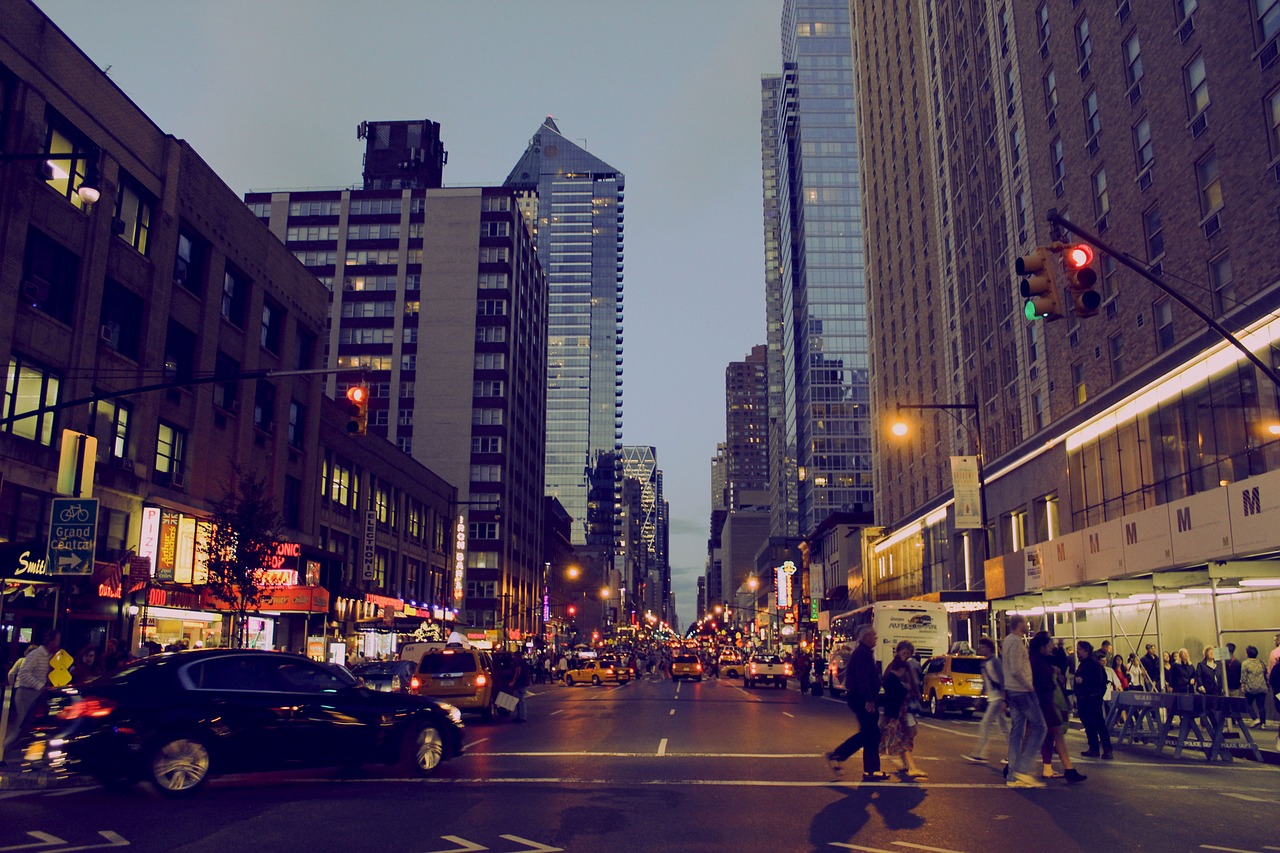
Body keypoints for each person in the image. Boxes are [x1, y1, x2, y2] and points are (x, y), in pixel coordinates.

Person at [826, 625, 889, 781]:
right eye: (873, 635)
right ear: (865, 637)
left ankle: (870, 769)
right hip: (861, 698)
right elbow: (863, 679)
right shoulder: (862, 654)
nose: (875, 637)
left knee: (871, 733)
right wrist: (869, 699)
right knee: (870, 732)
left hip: (862, 697)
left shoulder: (864, 652)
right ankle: (840, 755)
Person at [1031, 631, 1086, 783]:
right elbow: (1042, 683)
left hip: (1044, 703)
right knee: (1037, 736)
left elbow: (1060, 661)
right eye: (1049, 644)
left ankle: (1068, 769)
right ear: (1042, 647)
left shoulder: (1041, 659)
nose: (1051, 646)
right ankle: (1014, 766)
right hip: (1044, 703)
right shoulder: (1037, 662)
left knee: (1052, 735)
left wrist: (1060, 647)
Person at [1002, 615, 1048, 789]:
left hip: (1012, 690)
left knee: (1017, 733)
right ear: (1019, 624)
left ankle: (1013, 775)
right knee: (1040, 727)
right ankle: (1023, 769)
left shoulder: (1008, 641)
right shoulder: (1015, 642)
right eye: (1026, 622)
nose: (1028, 624)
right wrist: (1028, 685)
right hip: (1021, 691)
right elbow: (1015, 669)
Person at [4, 629, 60, 749]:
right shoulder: (36, 654)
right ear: (50, 641)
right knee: (21, 725)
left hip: (36, 693)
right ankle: (5, 748)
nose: (58, 643)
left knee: (29, 725)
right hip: (26, 692)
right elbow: (23, 673)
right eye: (57, 640)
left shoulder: (50, 657)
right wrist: (40, 685)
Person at [880, 641, 926, 779]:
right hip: (900, 707)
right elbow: (889, 683)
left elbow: (912, 683)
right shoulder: (896, 665)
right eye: (904, 652)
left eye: (908, 653)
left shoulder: (906, 665)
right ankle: (910, 767)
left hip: (905, 706)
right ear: (899, 651)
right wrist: (903, 686)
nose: (906, 655)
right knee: (907, 734)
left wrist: (913, 691)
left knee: (907, 734)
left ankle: (905, 762)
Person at [963, 636, 1008, 763]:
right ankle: (1013, 753)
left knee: (985, 724)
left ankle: (979, 753)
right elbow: (986, 681)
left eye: (982, 647)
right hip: (993, 698)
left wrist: (1003, 699)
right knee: (1004, 727)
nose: (980, 649)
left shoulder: (995, 661)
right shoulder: (984, 663)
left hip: (997, 698)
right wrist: (980, 696)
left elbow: (1002, 680)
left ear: (989, 648)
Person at [1074, 640, 1112, 759]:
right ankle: (1093, 748)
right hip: (1083, 699)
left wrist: (1084, 682)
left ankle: (1107, 749)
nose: (1077, 652)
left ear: (1086, 651)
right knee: (1088, 724)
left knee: (1099, 724)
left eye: (1079, 649)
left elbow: (1099, 681)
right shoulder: (1083, 664)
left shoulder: (1093, 664)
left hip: (1092, 699)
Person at [1241, 645, 1268, 728]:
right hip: (1262, 687)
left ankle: (1255, 718)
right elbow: (1266, 673)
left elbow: (1243, 676)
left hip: (1251, 688)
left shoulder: (1245, 663)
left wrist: (1243, 685)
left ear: (1247, 654)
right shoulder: (1262, 662)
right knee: (1261, 706)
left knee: (1247, 703)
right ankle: (1263, 723)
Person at [509, 654, 531, 722]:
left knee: (520, 699)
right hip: (524, 682)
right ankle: (520, 715)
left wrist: (513, 681)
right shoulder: (524, 662)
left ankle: (522, 716)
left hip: (520, 683)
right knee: (519, 699)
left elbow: (517, 671)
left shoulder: (517, 662)